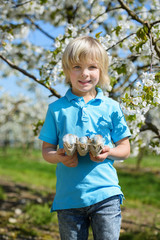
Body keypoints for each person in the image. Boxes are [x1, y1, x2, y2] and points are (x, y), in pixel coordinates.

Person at [39, 36, 131, 240]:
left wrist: (109, 151)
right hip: (69, 199)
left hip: (105, 194)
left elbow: (125, 148)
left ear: (102, 70)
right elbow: (47, 151)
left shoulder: (111, 107)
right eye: (77, 67)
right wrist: (60, 156)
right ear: (66, 70)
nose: (85, 73)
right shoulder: (56, 109)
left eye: (92, 67)